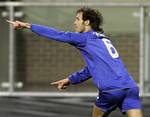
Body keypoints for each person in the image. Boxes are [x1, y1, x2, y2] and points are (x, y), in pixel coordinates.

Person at [7, 7, 143, 117]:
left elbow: (58, 34)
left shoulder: (85, 38)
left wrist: (27, 25)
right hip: (130, 87)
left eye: (77, 19)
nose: (75, 22)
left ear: (87, 22)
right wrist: (70, 79)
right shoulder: (103, 39)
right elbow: (92, 68)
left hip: (111, 89)